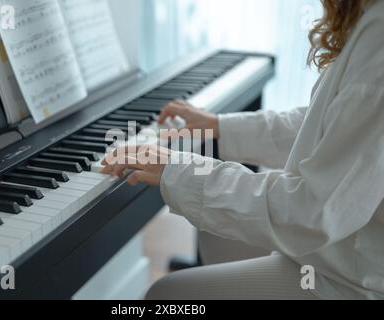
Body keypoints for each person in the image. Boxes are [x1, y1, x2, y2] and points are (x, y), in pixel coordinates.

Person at [102, 0, 384, 300]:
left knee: (165, 296)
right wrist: (223, 126)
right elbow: (334, 125)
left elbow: (316, 211)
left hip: (352, 278)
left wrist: (179, 169)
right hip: (345, 248)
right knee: (214, 236)